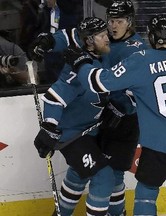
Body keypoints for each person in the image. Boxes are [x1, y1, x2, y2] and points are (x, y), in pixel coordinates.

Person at [63, 14, 166, 215]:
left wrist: (80, 63)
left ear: (151, 36)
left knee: (146, 193)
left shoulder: (142, 60)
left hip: (161, 144)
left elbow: (99, 82)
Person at [33, 17, 116, 216]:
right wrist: (50, 127)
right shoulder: (77, 70)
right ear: (89, 41)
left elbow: (69, 35)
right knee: (104, 177)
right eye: (103, 36)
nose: (108, 38)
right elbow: (54, 98)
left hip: (90, 130)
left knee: (79, 176)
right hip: (73, 136)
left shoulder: (101, 56)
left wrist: (50, 41)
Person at [99, 1, 148, 215]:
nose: (113, 26)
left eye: (119, 21)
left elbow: (142, 88)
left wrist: (122, 107)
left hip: (126, 122)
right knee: (98, 171)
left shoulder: (139, 50)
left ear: (129, 22)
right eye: (111, 21)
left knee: (115, 173)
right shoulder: (102, 41)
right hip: (100, 115)